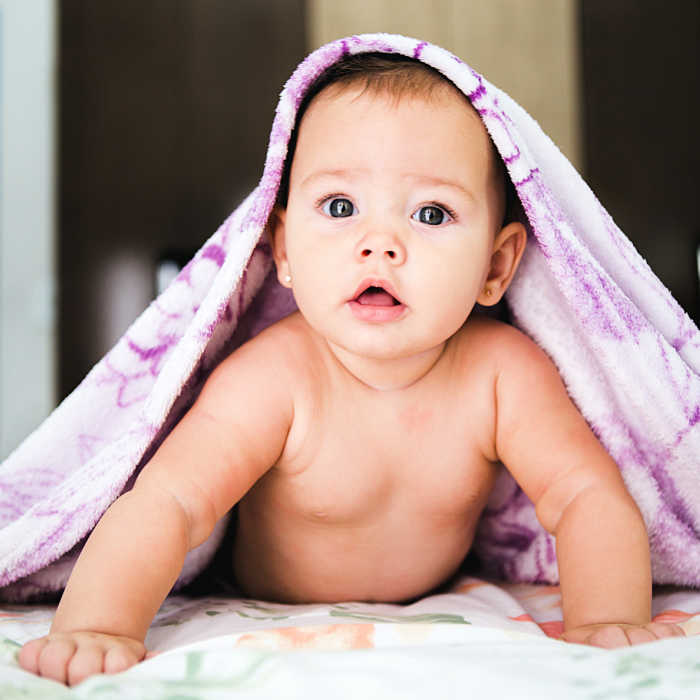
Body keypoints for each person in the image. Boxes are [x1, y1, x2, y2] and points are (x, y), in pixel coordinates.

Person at [18, 52, 684, 686]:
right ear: (282, 250)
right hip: (263, 594)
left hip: (442, 590)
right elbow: (172, 504)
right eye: (340, 207)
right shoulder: (275, 377)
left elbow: (586, 496)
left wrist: (607, 622)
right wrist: (100, 625)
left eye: (431, 213)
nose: (380, 244)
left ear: (495, 266)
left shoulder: (502, 374)